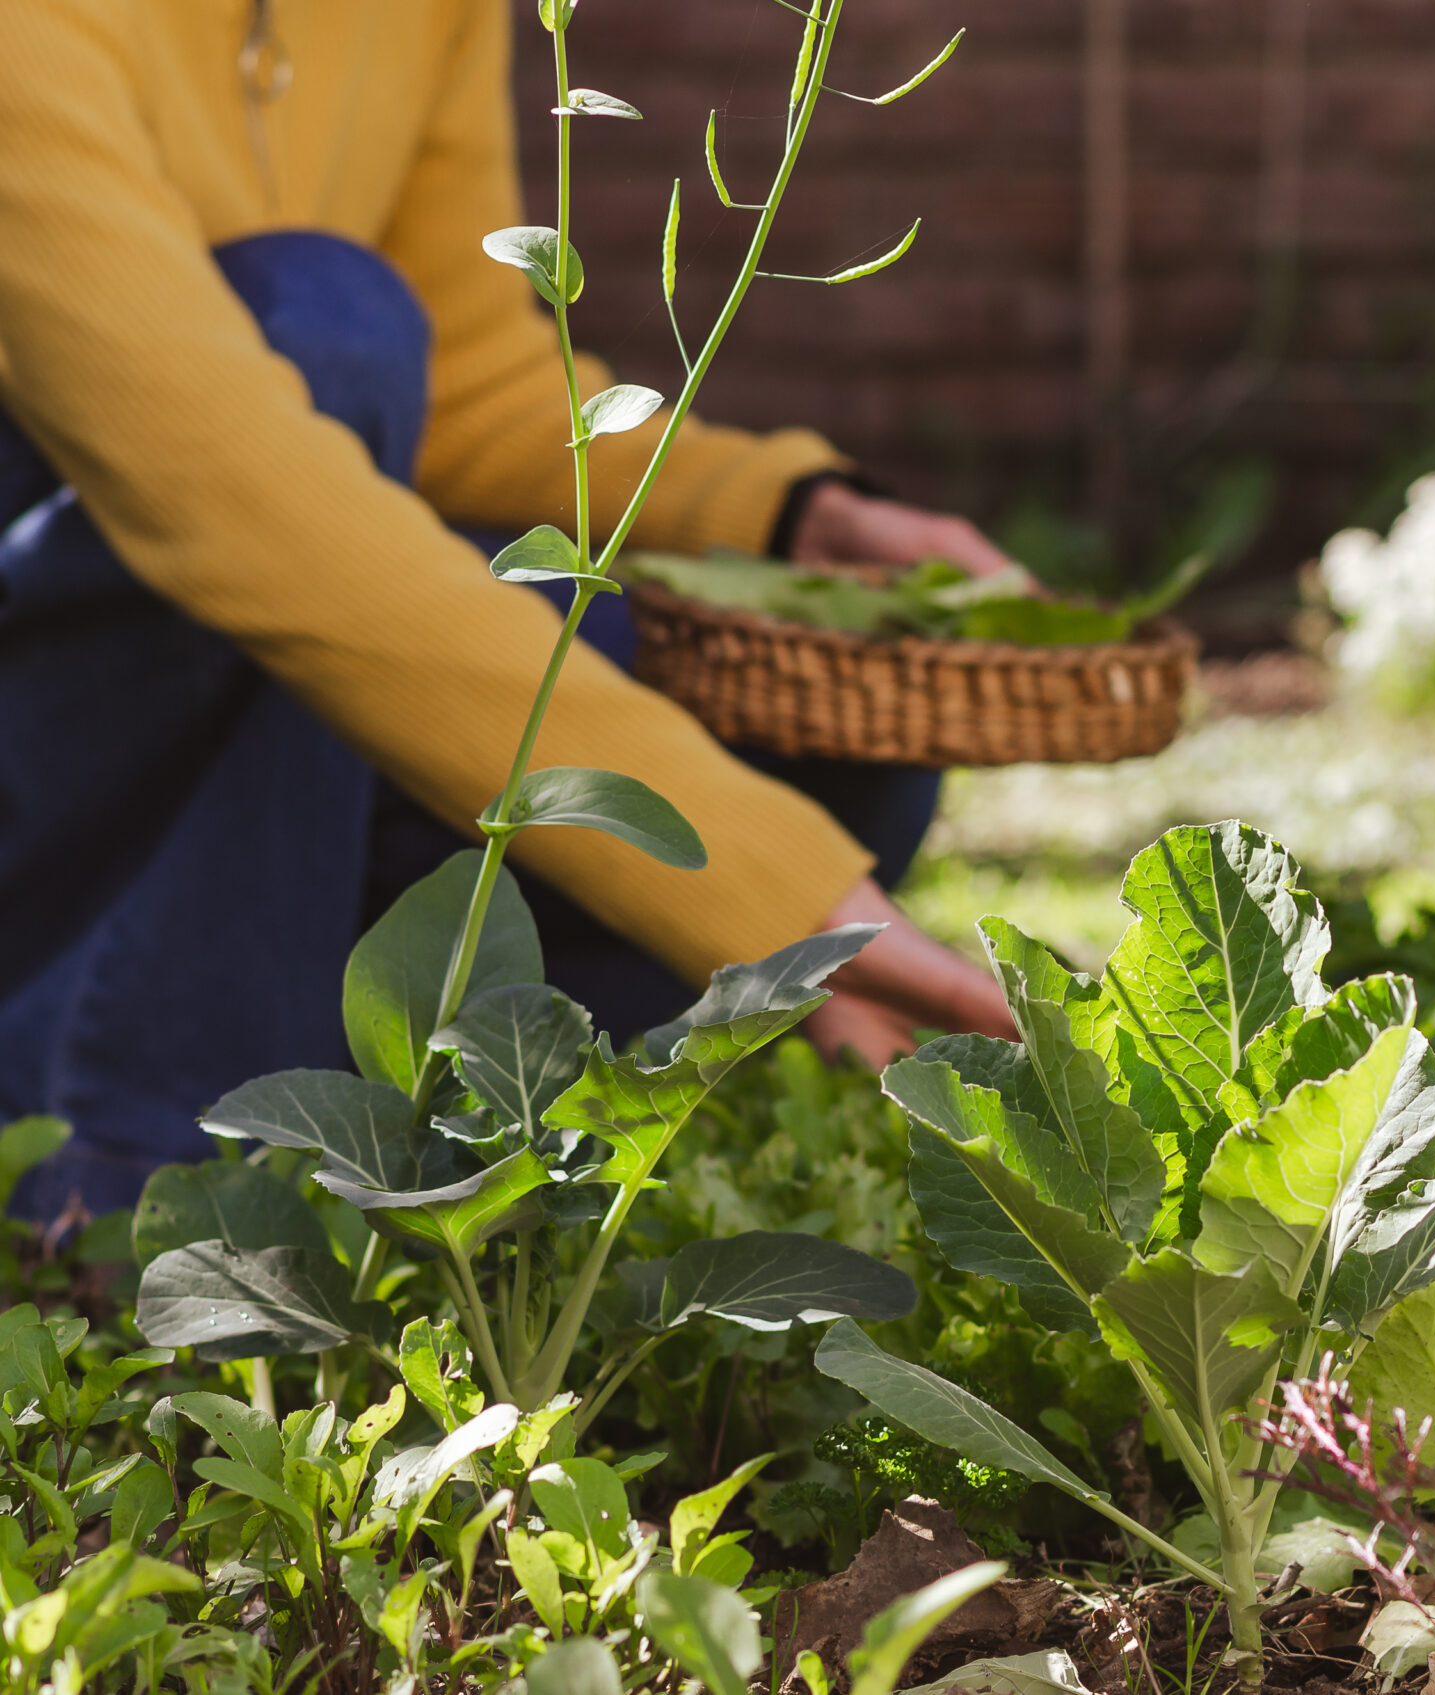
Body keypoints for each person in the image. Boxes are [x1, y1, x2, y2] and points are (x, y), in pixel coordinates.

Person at [0, 0, 1016, 1214]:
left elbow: (465, 371)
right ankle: (133, 1162)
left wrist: (777, 514)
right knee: (325, 325)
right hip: (54, 676)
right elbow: (240, 496)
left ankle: (319, 1043)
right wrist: (762, 885)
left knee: (825, 761)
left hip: (248, 621)